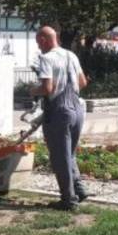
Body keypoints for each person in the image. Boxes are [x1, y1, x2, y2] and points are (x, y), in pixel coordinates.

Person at [32, 26, 91, 209]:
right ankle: (79, 190)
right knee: (69, 154)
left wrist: (32, 90)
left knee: (59, 156)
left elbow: (47, 89)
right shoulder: (71, 55)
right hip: (78, 109)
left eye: (38, 43)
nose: (38, 47)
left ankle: (68, 200)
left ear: (43, 40)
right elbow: (82, 82)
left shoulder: (46, 58)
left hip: (59, 112)